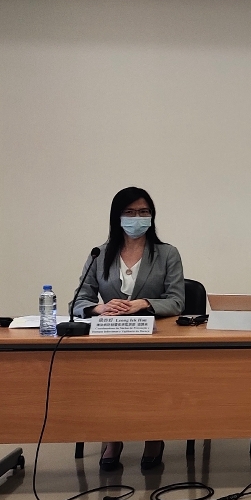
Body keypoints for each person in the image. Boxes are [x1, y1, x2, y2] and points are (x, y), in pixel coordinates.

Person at [74, 187, 185, 472]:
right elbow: (79, 301)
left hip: (153, 338)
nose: (137, 218)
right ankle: (112, 438)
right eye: (130, 212)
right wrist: (100, 308)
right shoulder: (99, 254)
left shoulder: (167, 254)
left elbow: (176, 301)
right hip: (110, 337)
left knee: (151, 380)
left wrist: (142, 303)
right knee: (107, 380)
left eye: (144, 212)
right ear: (117, 217)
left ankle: (153, 437)